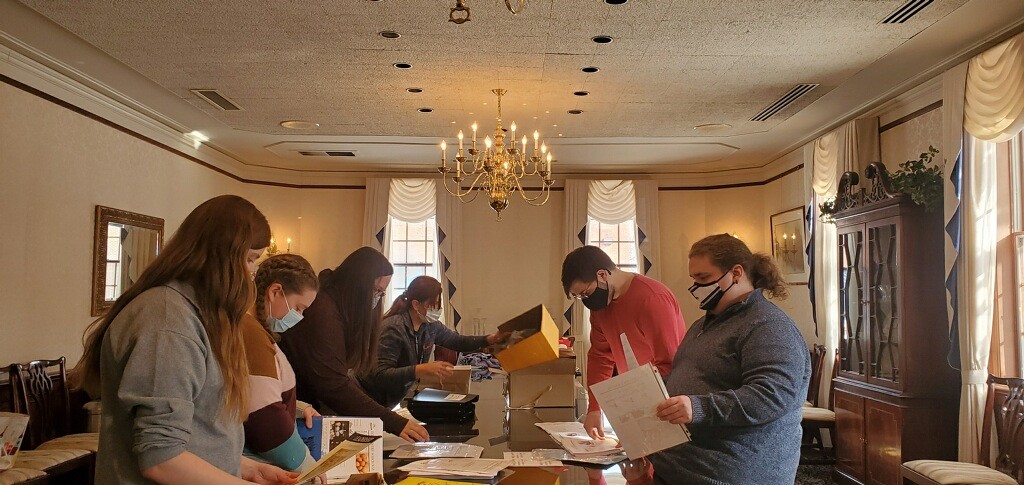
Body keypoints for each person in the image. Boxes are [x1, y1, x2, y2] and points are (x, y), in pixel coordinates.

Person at [74, 195, 297, 484]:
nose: (252, 273)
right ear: (224, 257)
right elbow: (162, 459)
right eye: (250, 259)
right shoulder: (167, 323)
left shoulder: (190, 312)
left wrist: (247, 468)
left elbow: (198, 432)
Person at [647, 234, 810, 484]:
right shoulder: (704, 323)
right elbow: (696, 376)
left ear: (736, 273)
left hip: (731, 472)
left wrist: (699, 407)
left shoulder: (769, 325)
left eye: (703, 278)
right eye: (693, 279)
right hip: (681, 467)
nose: (695, 287)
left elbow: (772, 396)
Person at [279, 247, 430, 443]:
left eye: (381, 294)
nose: (377, 298)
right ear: (359, 283)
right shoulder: (323, 311)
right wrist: (392, 421)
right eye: (376, 291)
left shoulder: (336, 305)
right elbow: (333, 385)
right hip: (298, 409)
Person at [561, 245, 687, 440]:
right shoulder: (601, 307)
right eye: (579, 297)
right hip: (637, 403)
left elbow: (670, 363)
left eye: (585, 293)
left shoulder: (652, 298)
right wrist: (594, 408)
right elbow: (600, 357)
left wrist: (642, 420)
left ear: (602, 275)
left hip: (667, 403)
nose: (586, 300)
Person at [359, 276, 508, 409]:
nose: (437, 309)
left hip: (387, 401)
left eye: (438, 304)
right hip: (364, 397)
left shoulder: (431, 326)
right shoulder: (393, 328)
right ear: (416, 304)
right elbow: (380, 374)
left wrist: (489, 339)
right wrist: (422, 369)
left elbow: (457, 341)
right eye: (433, 304)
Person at [241, 254, 323, 480]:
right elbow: (265, 420)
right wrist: (308, 466)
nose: (300, 316)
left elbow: (255, 391)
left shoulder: (257, 330)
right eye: (299, 307)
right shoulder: (251, 333)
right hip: (258, 464)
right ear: (275, 292)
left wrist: (298, 406)